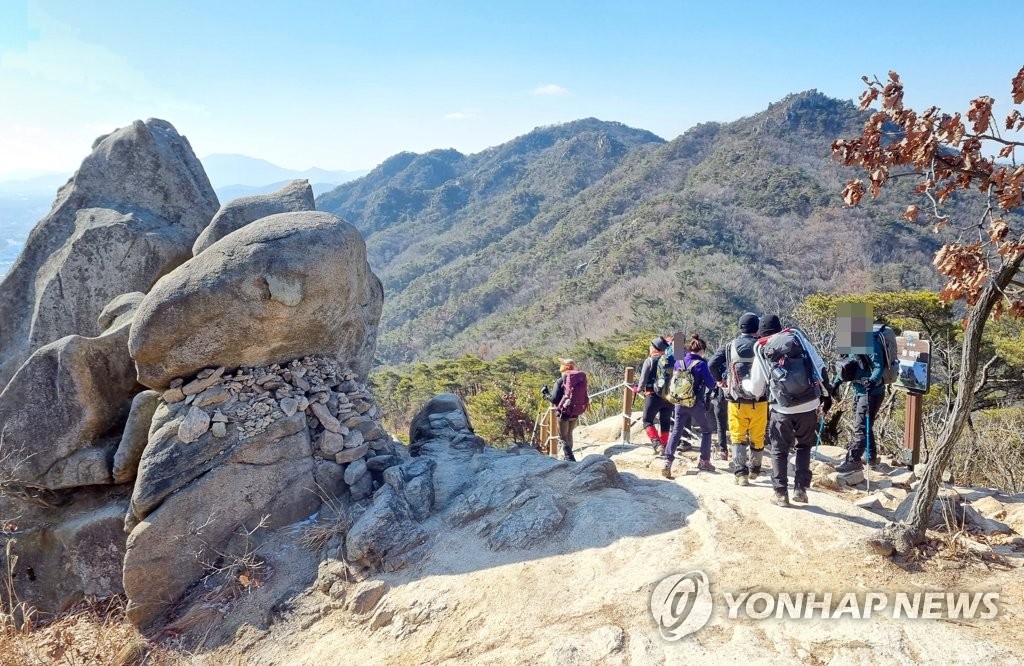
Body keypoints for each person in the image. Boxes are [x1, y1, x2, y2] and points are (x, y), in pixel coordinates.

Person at [744, 315, 832, 507]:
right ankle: (800, 489)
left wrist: (745, 384)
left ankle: (780, 493)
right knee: (803, 447)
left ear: (761, 332)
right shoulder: (798, 340)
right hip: (809, 403)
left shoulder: (762, 349)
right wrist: (827, 395)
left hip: (781, 408)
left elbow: (757, 389)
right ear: (780, 327)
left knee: (779, 450)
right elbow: (819, 368)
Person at [708, 313, 767, 486]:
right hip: (760, 400)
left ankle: (741, 474)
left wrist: (720, 380)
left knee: (738, 436)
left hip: (736, 400)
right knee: (758, 435)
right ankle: (755, 469)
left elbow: (712, 364)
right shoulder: (761, 345)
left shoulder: (730, 347)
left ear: (740, 328)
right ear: (757, 329)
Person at [832, 327, 887, 472]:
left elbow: (878, 367)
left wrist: (872, 380)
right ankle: (870, 458)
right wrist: (835, 383)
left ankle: (853, 461)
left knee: (860, 427)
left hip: (872, 392)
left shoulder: (870, 343)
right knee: (864, 425)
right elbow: (846, 365)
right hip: (859, 390)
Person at [662, 334, 717, 478]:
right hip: (695, 403)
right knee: (706, 430)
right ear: (702, 350)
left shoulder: (679, 361)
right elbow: (711, 384)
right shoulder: (701, 364)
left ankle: (667, 461)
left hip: (679, 402)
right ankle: (704, 461)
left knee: (676, 431)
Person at [542, 358, 588, 462]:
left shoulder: (561, 381)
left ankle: (569, 458)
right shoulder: (579, 379)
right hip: (576, 410)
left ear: (563, 368)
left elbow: (554, 399)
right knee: (569, 433)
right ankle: (569, 455)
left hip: (564, 413)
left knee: (563, 436)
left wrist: (545, 393)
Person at [635, 336, 674, 455]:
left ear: (654, 348)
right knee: (665, 421)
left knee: (647, 421)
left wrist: (638, 389)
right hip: (668, 397)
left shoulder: (650, 360)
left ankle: (657, 445)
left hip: (652, 395)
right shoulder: (670, 360)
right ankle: (664, 444)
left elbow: (643, 380)